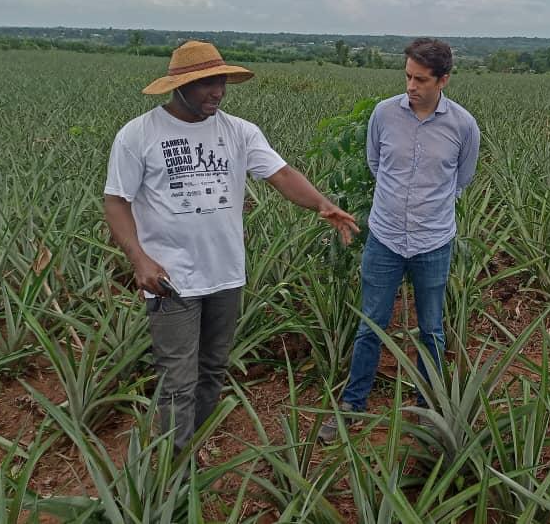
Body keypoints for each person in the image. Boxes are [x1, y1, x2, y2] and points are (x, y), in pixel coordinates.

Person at [104, 40, 359, 453]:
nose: (217, 91)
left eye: (220, 80)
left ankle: (192, 444)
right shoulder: (139, 135)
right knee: (177, 378)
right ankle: (172, 472)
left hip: (225, 273)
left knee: (212, 369)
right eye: (206, 83)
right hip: (170, 278)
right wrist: (140, 260)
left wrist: (322, 204)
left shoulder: (239, 131)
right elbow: (116, 202)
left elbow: (280, 173)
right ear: (180, 85)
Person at [318, 38, 480, 442]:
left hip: (433, 242)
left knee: (431, 328)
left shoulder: (463, 126)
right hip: (385, 238)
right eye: (407, 76)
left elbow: (462, 178)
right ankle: (354, 404)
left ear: (443, 80)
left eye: (421, 79)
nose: (411, 85)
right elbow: (376, 164)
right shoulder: (383, 115)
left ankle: (428, 406)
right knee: (370, 324)